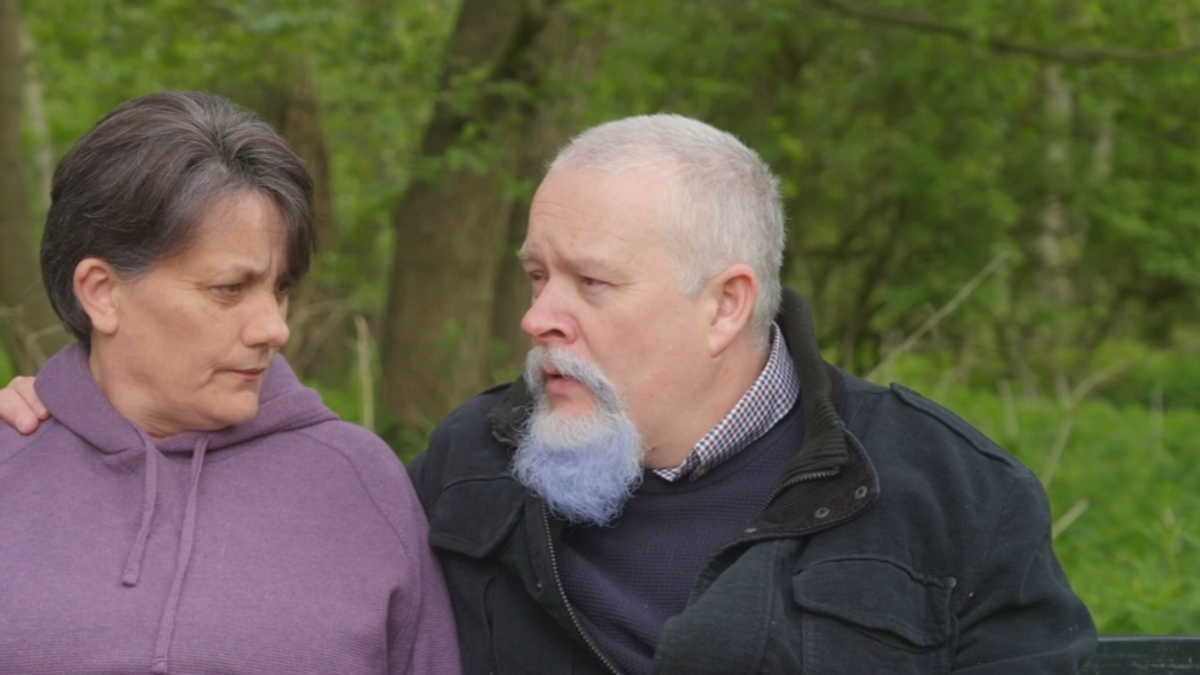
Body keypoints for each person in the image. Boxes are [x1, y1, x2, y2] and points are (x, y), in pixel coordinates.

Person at [0, 114, 1096, 674]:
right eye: (536, 276)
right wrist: (66, 424)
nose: (539, 318)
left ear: (725, 304)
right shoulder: (474, 465)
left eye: (592, 285)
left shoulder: (950, 497)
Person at [0, 92, 459, 675]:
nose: (275, 328)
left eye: (280, 288)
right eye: (229, 289)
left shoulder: (362, 485)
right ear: (102, 292)